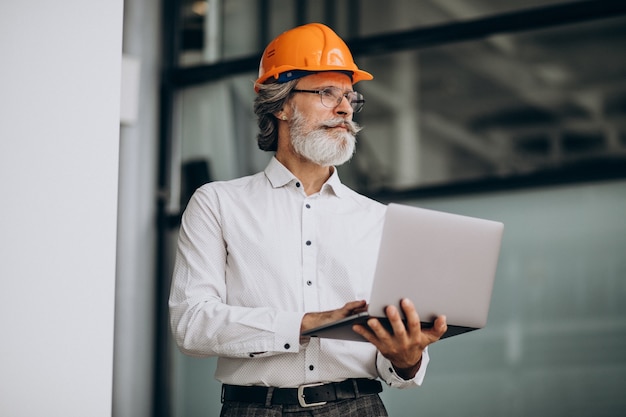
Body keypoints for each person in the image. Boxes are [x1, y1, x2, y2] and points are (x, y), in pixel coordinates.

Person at [169, 22, 448, 416]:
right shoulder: (218, 203)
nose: (345, 108)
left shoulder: (377, 219)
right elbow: (191, 325)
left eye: (350, 97)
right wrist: (305, 323)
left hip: (358, 406)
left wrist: (407, 358)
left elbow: (395, 367)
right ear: (280, 104)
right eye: (326, 93)